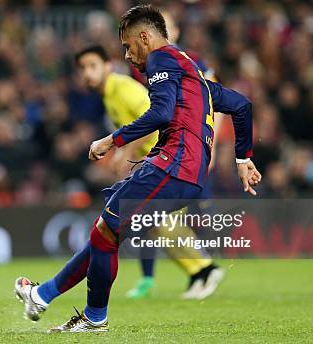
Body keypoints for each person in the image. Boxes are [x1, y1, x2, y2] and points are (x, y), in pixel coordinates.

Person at [15, 4, 261, 332]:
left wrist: (111, 141)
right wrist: (243, 159)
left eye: (129, 46)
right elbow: (242, 106)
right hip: (185, 173)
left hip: (171, 167)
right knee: (106, 235)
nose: (128, 56)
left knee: (104, 232)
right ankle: (43, 296)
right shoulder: (193, 73)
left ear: (145, 37)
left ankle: (93, 317)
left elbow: (159, 112)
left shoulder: (161, 59)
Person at [75, 44, 223, 301]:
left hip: (170, 159)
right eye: (83, 68)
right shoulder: (109, 95)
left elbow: (156, 116)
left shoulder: (120, 88)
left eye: (92, 66)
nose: (87, 73)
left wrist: (126, 151)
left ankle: (204, 269)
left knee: (157, 221)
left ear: (107, 66)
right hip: (161, 159)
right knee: (155, 223)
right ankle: (199, 271)